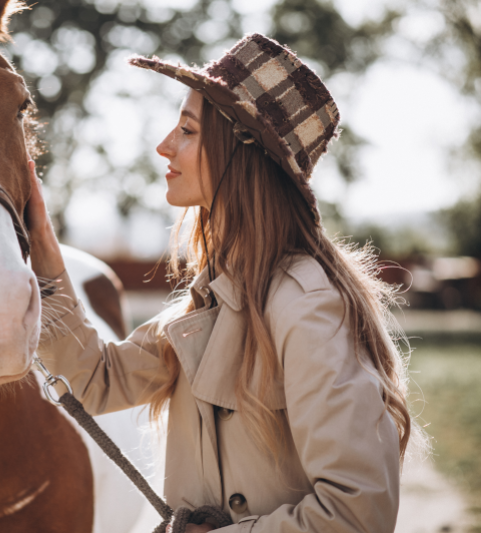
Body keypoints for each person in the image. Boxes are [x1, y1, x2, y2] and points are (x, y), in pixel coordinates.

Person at [25, 33, 423, 533]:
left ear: (240, 149)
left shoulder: (307, 305)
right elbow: (97, 380)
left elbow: (358, 512)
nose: (164, 145)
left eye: (188, 130)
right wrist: (41, 249)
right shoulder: (210, 297)